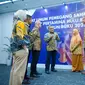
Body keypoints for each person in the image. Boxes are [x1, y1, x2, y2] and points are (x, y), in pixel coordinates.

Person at [9, 10, 30, 85]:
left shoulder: (15, 23)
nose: (26, 17)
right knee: (19, 72)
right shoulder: (20, 23)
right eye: (25, 15)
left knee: (14, 70)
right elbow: (19, 36)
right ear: (22, 15)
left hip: (15, 51)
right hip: (21, 50)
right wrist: (25, 48)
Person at [24, 14, 33, 80]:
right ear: (28, 19)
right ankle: (23, 77)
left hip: (27, 47)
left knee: (26, 63)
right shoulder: (25, 26)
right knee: (24, 63)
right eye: (31, 19)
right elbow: (25, 37)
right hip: (26, 47)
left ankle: (25, 76)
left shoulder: (28, 26)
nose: (32, 21)